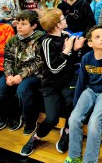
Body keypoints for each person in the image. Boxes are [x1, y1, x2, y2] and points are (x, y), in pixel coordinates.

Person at [20, 8, 85, 156]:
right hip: (51, 84)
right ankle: (36, 137)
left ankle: (66, 131)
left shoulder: (66, 36)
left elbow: (70, 62)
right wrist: (67, 50)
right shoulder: (46, 41)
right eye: (63, 19)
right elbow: (54, 68)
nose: (66, 20)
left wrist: (75, 50)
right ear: (57, 24)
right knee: (51, 118)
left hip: (68, 79)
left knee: (72, 102)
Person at [64, 25, 102, 163]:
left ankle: (90, 160)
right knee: (73, 119)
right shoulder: (86, 58)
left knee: (94, 122)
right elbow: (81, 82)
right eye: (98, 37)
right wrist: (76, 104)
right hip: (90, 90)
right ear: (90, 43)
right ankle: (74, 157)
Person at [0, 10, 43, 134]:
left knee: (23, 90)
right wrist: (8, 75)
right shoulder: (13, 40)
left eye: (23, 24)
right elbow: (7, 60)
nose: (19, 26)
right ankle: (12, 115)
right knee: (1, 89)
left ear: (34, 26)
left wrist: (21, 76)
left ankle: (30, 121)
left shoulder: (40, 39)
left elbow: (39, 63)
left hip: (35, 75)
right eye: (18, 23)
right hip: (14, 73)